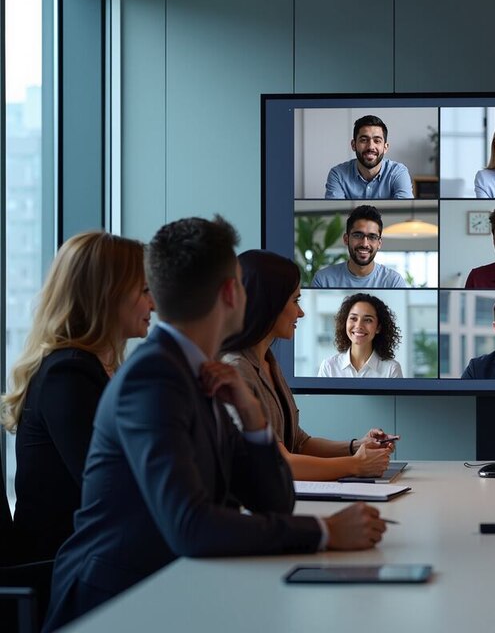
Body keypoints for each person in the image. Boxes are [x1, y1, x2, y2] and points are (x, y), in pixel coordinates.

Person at [44, 217, 386, 631]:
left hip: (169, 591)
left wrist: (254, 421)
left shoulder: (198, 373)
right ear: (230, 294)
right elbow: (192, 526)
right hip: (116, 605)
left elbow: (273, 500)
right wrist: (324, 531)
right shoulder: (153, 380)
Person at [0, 232, 153, 564]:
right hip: (64, 569)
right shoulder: (66, 376)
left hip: (97, 555)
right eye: (144, 290)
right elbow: (112, 490)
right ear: (107, 296)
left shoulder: (96, 371)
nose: (153, 303)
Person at [221, 250, 395, 480]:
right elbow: (279, 461)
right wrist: (356, 465)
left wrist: (357, 446)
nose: (300, 313)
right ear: (268, 304)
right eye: (295, 301)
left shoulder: (269, 363)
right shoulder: (236, 368)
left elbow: (299, 443)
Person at [310, 204, 406, 288]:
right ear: (346, 239)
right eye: (358, 235)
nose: (364, 244)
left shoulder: (393, 281)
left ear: (379, 243)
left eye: (372, 237)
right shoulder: (324, 279)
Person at [324, 115, 413, 199]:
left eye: (377, 141)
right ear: (353, 145)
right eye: (364, 140)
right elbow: (337, 214)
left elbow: (406, 212)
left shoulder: (398, 172)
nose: (370, 147)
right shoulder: (337, 174)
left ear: (385, 147)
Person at [318, 292, 403, 378]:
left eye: (368, 320)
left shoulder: (391, 369)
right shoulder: (329, 367)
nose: (359, 326)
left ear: (378, 327)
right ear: (345, 323)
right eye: (353, 318)